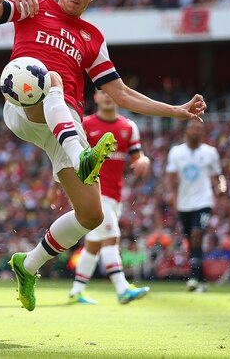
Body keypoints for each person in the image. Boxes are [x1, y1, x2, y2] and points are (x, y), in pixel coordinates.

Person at [0, 0, 207, 311]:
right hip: (24, 104)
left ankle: (28, 264)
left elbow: (122, 93)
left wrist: (176, 110)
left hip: (65, 121)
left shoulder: (93, 39)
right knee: (49, 79)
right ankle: (80, 153)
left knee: (91, 215)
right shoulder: (34, 6)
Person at [61, 89, 151, 305]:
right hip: (94, 192)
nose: (108, 95)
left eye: (112, 91)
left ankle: (76, 291)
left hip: (115, 195)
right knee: (111, 239)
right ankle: (122, 289)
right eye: (103, 91)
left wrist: (143, 161)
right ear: (96, 98)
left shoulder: (129, 127)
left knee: (94, 243)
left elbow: (137, 157)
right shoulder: (86, 124)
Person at [165, 121, 226, 292]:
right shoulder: (176, 152)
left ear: (202, 132)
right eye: (192, 128)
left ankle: (192, 277)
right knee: (191, 241)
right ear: (186, 131)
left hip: (204, 202)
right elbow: (170, 176)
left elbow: (218, 175)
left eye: (199, 129)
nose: (195, 132)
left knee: (197, 235)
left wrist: (222, 187)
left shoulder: (210, 152)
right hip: (184, 204)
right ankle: (202, 279)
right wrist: (170, 193)